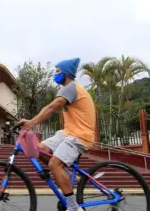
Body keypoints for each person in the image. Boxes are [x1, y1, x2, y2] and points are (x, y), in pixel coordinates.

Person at [20, 58, 96, 211]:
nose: (55, 75)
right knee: (38, 149)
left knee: (54, 164)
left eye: (57, 72)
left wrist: (32, 123)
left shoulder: (71, 87)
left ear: (66, 74)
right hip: (68, 133)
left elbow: (51, 108)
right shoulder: (68, 88)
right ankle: (65, 173)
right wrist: (31, 121)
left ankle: (73, 207)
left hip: (80, 136)